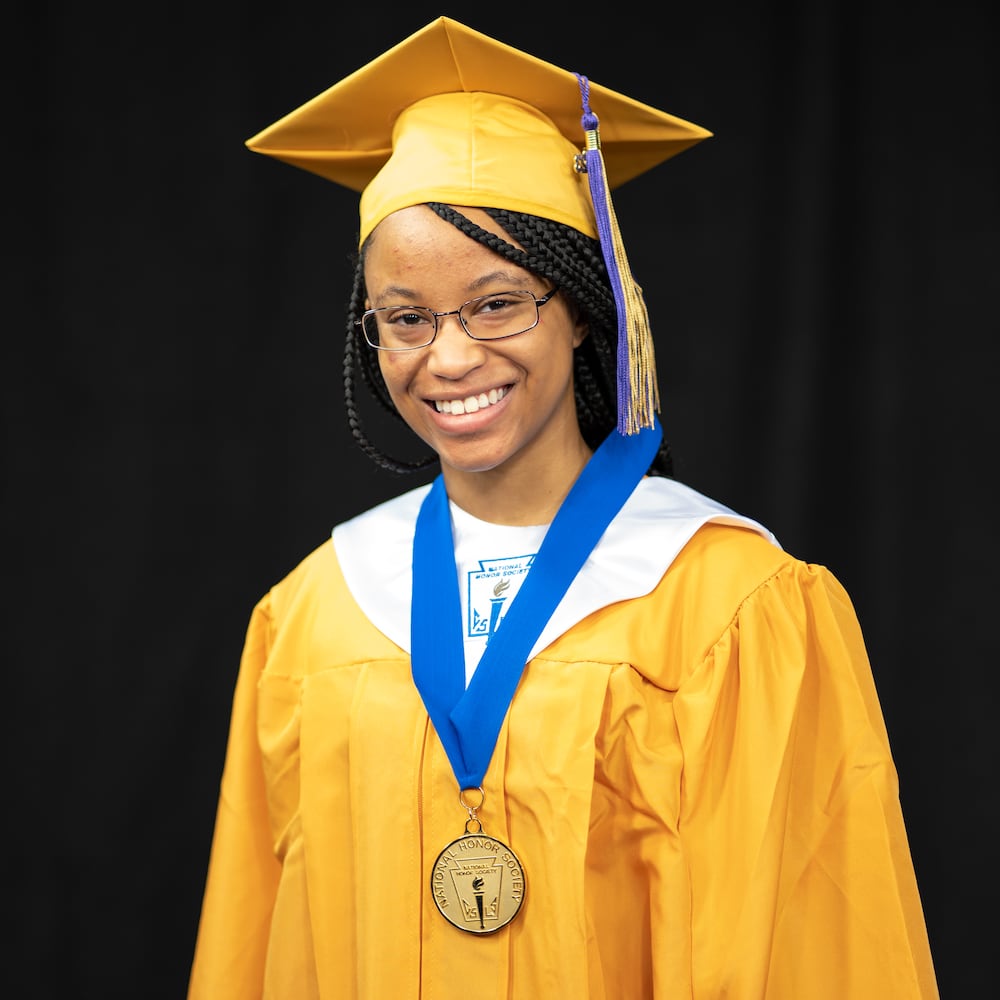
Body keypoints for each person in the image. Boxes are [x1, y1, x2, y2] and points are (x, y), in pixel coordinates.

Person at [187, 16, 938, 999]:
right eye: (406, 317)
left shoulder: (730, 606)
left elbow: (811, 949)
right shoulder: (313, 612)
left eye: (497, 303)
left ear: (583, 308)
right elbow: (252, 949)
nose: (450, 356)